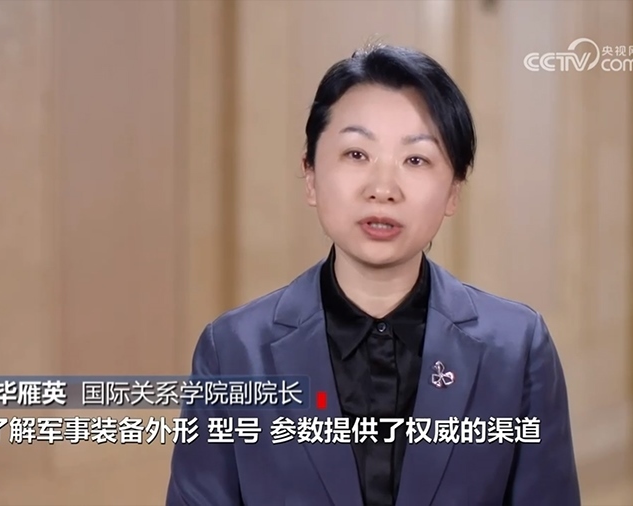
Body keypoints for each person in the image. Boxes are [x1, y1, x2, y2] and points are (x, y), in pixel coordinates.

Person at [165, 43, 580, 506]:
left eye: (416, 160)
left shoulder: (518, 349)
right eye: (356, 154)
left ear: (453, 191)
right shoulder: (234, 352)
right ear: (310, 175)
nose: (383, 189)